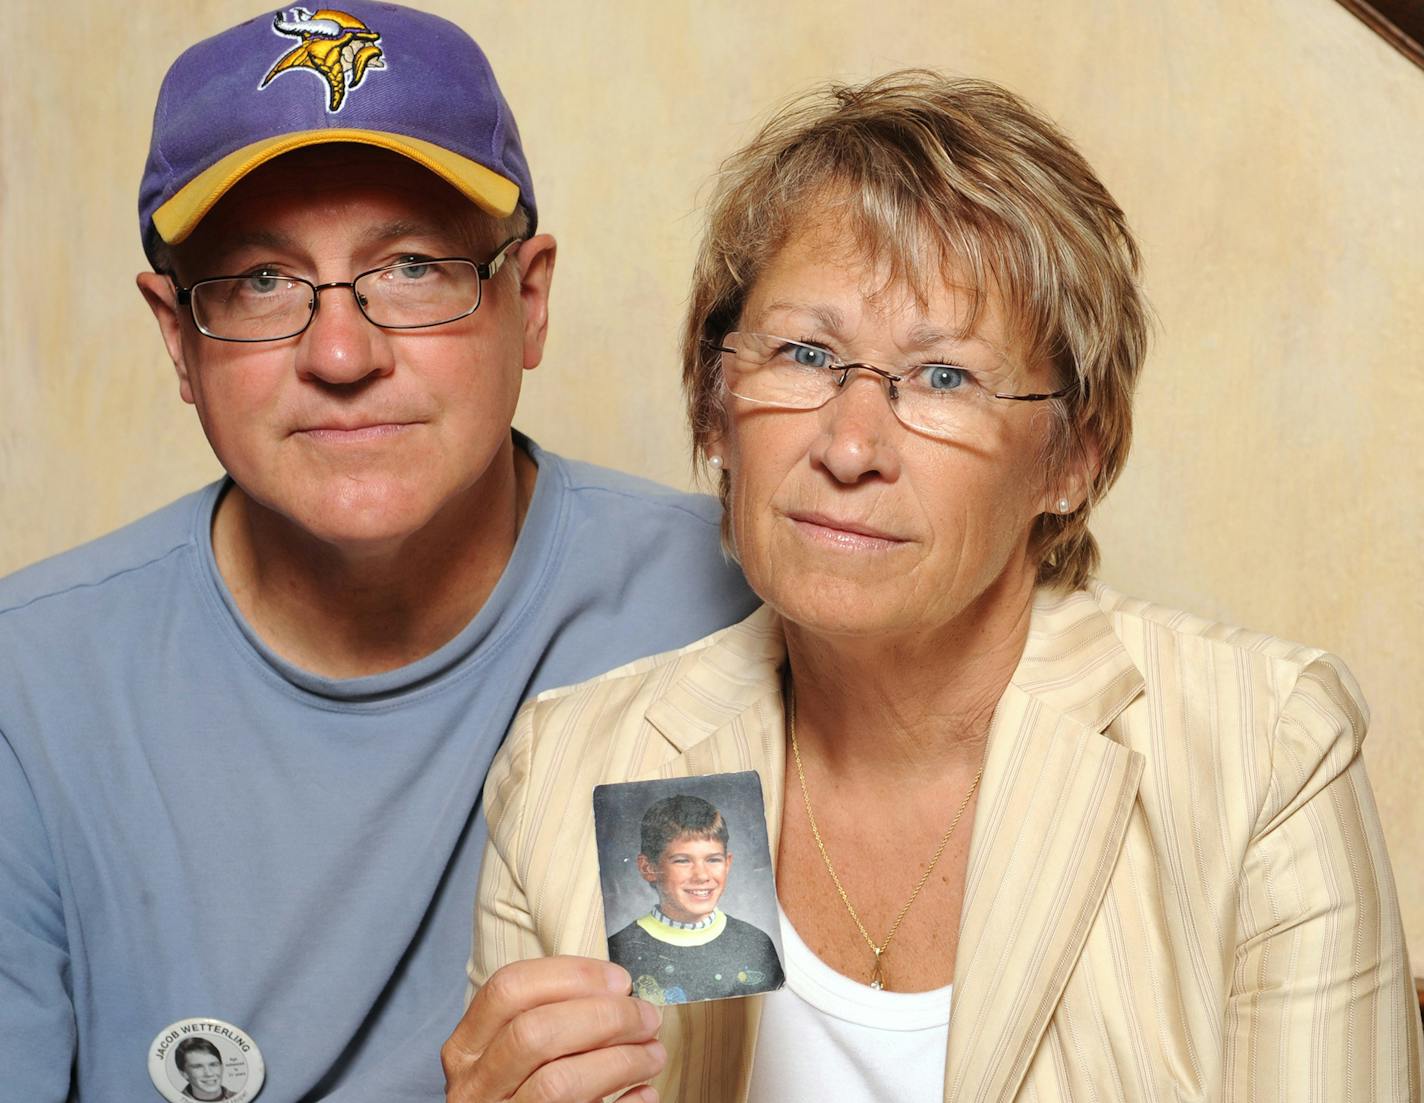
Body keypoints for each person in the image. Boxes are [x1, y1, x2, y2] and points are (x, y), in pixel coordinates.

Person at [444, 72, 1424, 1102]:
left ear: (1072, 457)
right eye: (805, 353)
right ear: (714, 405)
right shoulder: (581, 764)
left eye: (943, 376)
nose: (850, 444)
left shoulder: (1261, 753)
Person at [0, 4, 756, 1101]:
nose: (341, 351)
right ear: (177, 338)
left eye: (411, 267)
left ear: (527, 301)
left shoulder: (730, 598)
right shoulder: (31, 690)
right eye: (260, 281)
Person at [608, 794, 783, 1005]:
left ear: (727, 864)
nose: (701, 875)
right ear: (648, 868)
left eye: (713, 859)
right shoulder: (619, 950)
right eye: (682, 861)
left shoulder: (756, 944)